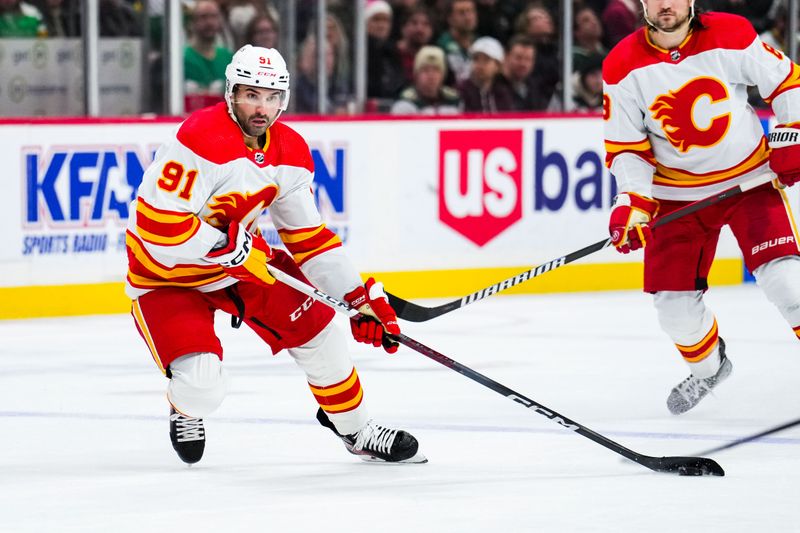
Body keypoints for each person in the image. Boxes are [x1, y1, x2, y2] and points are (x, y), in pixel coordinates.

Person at [126, 44, 426, 465]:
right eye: (251, 94)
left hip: (239, 268)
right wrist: (219, 244)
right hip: (167, 277)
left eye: (271, 97)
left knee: (323, 338)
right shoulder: (200, 138)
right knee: (203, 388)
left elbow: (309, 239)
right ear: (231, 93)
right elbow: (154, 227)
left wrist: (359, 299)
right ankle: (185, 407)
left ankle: (357, 432)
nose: (261, 107)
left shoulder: (291, 152)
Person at [603, 0, 800, 415]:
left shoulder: (731, 34)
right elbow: (626, 148)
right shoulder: (622, 64)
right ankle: (711, 368)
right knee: (674, 313)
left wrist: (792, 132)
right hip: (676, 196)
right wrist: (632, 202)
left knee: (789, 284)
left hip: (748, 181)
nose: (665, 4)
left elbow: (787, 83)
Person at [184, 0, 234, 112]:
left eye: (214, 16)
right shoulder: (182, 58)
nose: (209, 22)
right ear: (192, 22)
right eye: (203, 17)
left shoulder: (228, 57)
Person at [391, 45, 461, 115]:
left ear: (443, 74)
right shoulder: (405, 103)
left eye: (436, 70)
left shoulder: (453, 101)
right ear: (416, 74)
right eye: (425, 70)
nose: (431, 75)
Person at [458, 36, 514, 112]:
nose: (480, 65)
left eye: (486, 60)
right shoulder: (461, 91)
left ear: (497, 66)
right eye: (476, 59)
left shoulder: (504, 93)